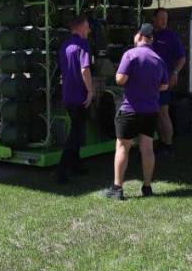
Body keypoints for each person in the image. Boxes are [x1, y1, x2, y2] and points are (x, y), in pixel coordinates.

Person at [103, 24, 169, 200]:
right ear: (151, 39)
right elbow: (164, 86)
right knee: (147, 148)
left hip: (131, 109)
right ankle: (147, 187)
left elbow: (120, 79)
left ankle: (117, 189)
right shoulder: (158, 59)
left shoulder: (130, 55)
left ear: (139, 36)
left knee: (123, 146)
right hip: (151, 110)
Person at [56, 15, 94, 183]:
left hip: (68, 94)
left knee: (77, 130)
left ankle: (75, 166)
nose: (89, 29)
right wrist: (90, 91)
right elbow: (85, 70)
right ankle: (61, 171)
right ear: (79, 28)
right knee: (76, 134)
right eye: (87, 26)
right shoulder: (83, 44)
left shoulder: (65, 45)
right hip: (80, 95)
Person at [149, 8, 186, 158]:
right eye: (161, 18)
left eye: (166, 18)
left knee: (163, 113)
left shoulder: (171, 36)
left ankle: (168, 145)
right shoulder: (149, 36)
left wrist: (175, 72)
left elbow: (182, 58)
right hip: (150, 82)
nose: (164, 21)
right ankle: (162, 142)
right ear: (154, 19)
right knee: (156, 113)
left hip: (164, 81)